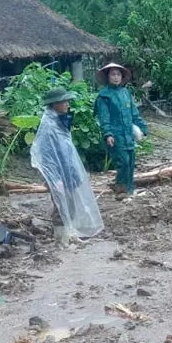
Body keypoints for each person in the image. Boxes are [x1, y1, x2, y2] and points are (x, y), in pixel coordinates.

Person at [31, 88, 103, 244]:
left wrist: (74, 174)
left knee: (70, 203)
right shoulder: (48, 126)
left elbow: (66, 150)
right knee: (60, 205)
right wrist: (55, 178)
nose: (67, 104)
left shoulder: (59, 121)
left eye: (67, 101)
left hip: (67, 171)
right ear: (54, 104)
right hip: (57, 174)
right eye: (63, 101)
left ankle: (70, 234)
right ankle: (61, 240)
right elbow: (46, 156)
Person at [94, 62, 148, 197]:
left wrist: (143, 128)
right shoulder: (104, 96)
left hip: (128, 135)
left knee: (130, 161)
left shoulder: (126, 93)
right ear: (108, 77)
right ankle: (121, 190)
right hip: (116, 135)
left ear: (122, 77)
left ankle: (130, 190)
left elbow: (134, 115)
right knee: (122, 162)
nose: (116, 77)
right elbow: (104, 118)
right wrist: (108, 134)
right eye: (113, 74)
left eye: (118, 74)